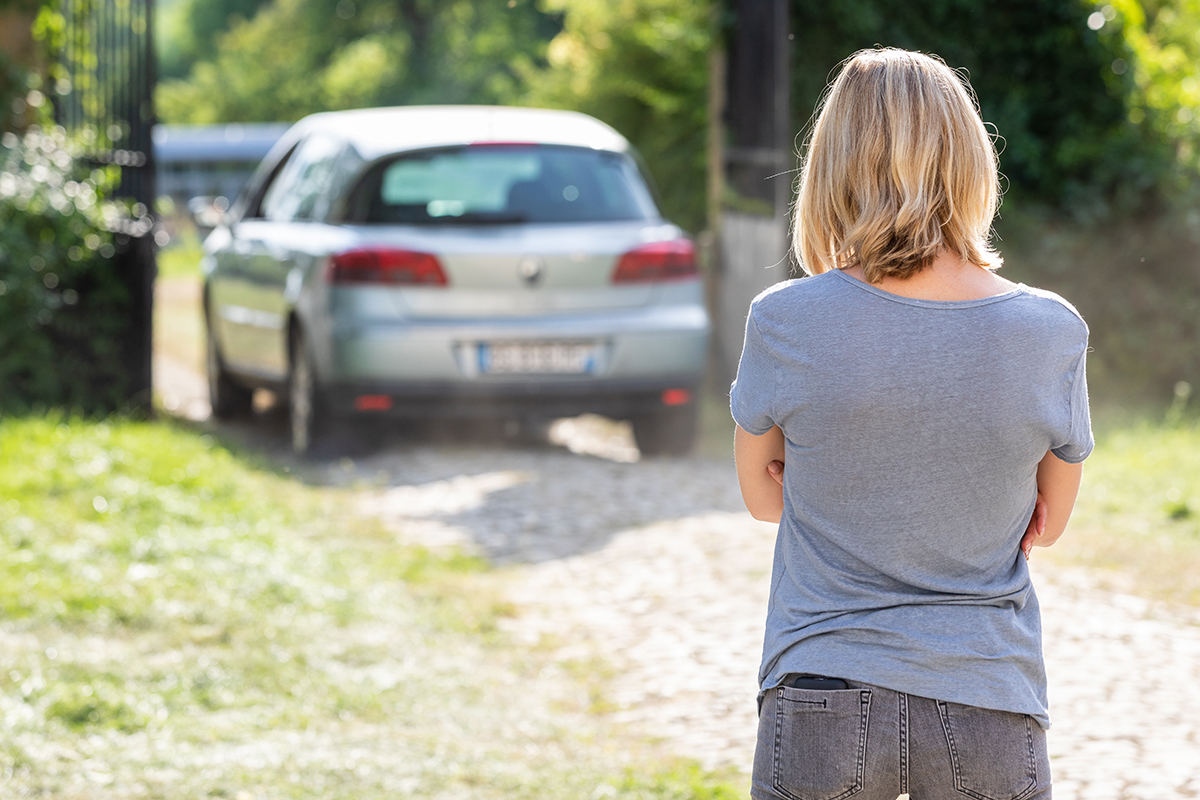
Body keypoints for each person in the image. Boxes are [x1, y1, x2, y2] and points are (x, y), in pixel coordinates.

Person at [730, 48, 1091, 800]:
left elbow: (766, 499)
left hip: (821, 684)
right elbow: (1045, 524)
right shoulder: (1049, 329)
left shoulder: (786, 320)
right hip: (989, 693)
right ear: (969, 164)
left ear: (831, 169)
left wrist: (834, 469)